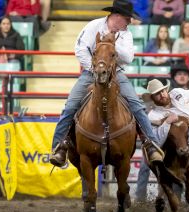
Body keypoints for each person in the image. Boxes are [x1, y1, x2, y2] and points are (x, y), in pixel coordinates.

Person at [49, 0, 165, 173]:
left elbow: (128, 58)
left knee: (136, 105)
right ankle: (59, 147)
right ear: (117, 16)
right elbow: (80, 49)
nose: (129, 23)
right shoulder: (93, 26)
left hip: (116, 73)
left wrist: (111, 43)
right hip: (90, 72)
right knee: (71, 106)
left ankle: (151, 145)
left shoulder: (125, 34)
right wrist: (96, 69)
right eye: (127, 19)